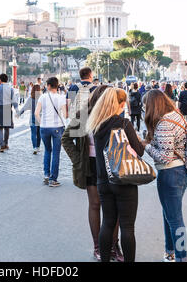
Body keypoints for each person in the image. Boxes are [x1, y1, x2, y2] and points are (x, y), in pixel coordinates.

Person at [62, 85, 123, 262]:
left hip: (113, 164)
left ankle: (114, 244)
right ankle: (98, 245)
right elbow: (66, 139)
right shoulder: (84, 114)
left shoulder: (114, 114)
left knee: (115, 207)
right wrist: (78, 160)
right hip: (91, 165)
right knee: (95, 204)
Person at [87, 88, 145, 262]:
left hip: (103, 181)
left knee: (107, 223)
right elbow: (139, 151)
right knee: (127, 227)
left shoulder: (96, 125)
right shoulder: (124, 124)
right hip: (123, 180)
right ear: (120, 104)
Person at [143, 89, 187, 262]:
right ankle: (170, 251)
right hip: (183, 171)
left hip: (171, 172)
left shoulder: (164, 123)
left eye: (145, 106)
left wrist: (146, 145)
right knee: (170, 214)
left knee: (175, 219)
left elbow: (165, 156)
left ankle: (181, 257)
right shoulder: (176, 115)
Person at [35, 77, 66, 187]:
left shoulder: (42, 97)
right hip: (57, 127)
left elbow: (36, 113)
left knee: (47, 150)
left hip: (44, 128)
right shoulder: (61, 97)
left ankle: (46, 175)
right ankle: (53, 179)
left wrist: (42, 122)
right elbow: (66, 115)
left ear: (48, 86)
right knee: (56, 153)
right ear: (57, 86)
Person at [18, 84, 42, 154]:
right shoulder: (42, 98)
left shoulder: (30, 99)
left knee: (33, 133)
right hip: (40, 118)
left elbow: (24, 108)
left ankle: (34, 147)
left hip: (33, 117)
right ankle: (38, 147)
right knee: (39, 133)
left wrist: (19, 113)